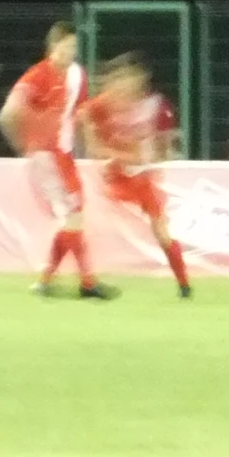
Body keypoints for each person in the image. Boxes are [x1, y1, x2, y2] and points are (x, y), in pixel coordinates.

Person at [0, 20, 115, 300]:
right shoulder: (37, 75)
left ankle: (47, 281)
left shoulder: (77, 75)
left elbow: (81, 114)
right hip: (47, 157)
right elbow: (7, 115)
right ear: (53, 46)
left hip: (65, 156)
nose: (72, 51)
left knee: (73, 219)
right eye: (68, 46)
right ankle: (87, 283)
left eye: (75, 46)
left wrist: (93, 147)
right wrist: (25, 146)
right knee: (74, 216)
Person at [80, 53, 193, 298]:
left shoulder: (153, 105)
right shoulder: (104, 104)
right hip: (115, 175)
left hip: (142, 177)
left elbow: (162, 146)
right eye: (121, 79)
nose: (127, 84)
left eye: (131, 78)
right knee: (83, 224)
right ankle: (86, 279)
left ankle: (184, 284)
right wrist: (108, 151)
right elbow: (86, 120)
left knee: (161, 231)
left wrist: (149, 157)